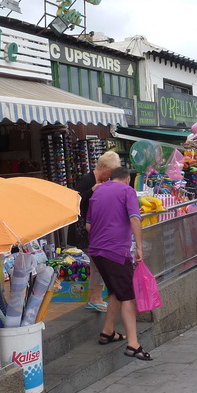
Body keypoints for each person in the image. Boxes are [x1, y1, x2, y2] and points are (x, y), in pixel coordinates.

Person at [86, 166, 151, 360]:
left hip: (96, 251)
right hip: (115, 252)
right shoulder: (127, 191)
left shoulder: (97, 191)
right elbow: (135, 219)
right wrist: (139, 247)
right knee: (128, 296)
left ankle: (107, 331)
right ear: (127, 180)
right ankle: (133, 344)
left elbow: (88, 225)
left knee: (116, 291)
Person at [72, 151, 122, 312]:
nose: (111, 176)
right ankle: (96, 298)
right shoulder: (87, 180)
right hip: (82, 232)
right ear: (103, 166)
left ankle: (93, 299)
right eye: (111, 172)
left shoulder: (102, 181)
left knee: (96, 264)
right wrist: (92, 190)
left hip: (93, 230)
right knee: (101, 262)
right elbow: (75, 201)